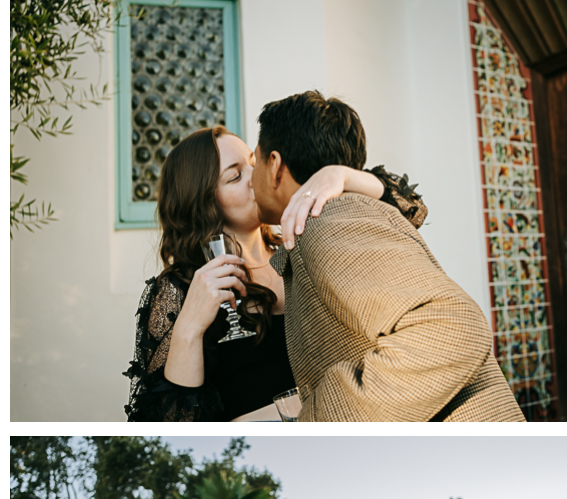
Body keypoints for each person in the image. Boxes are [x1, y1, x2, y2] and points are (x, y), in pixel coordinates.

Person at [251, 90, 526, 423]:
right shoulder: (338, 217)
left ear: (275, 165)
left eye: (254, 161)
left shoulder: (329, 222)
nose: (251, 177)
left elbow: (452, 329)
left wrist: (321, 421)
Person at [124, 125, 426, 422]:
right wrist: (189, 328)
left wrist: (340, 175)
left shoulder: (303, 245)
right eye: (235, 176)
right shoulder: (182, 287)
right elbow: (172, 427)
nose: (256, 179)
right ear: (204, 202)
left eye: (254, 164)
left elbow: (409, 211)